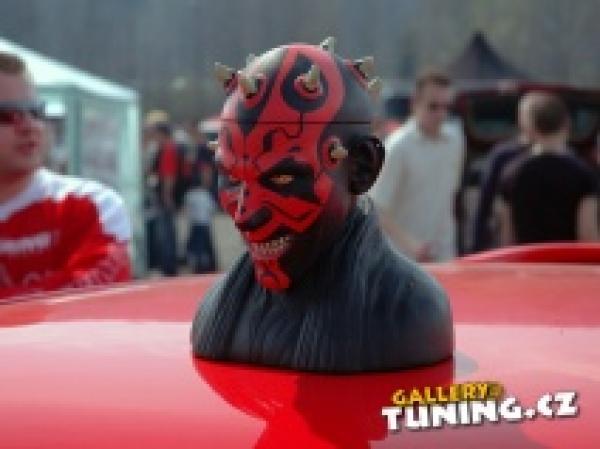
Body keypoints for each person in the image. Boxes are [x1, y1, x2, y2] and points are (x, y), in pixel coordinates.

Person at [191, 39, 453, 372]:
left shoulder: (410, 314)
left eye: (282, 179)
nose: (245, 215)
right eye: (232, 178)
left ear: (361, 168)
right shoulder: (220, 313)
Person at [0, 51, 131, 299]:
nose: (29, 126)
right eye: (7, 115)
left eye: (35, 112)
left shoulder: (91, 205)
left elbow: (87, 301)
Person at [370, 69, 464, 261]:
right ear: (415, 103)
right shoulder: (397, 147)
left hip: (445, 257)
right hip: (405, 262)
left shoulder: (455, 140)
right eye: (433, 106)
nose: (441, 114)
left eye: (447, 107)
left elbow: (450, 198)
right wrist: (413, 246)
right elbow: (376, 208)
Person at [497, 93, 599, 245]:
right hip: (567, 259)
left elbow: (507, 236)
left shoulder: (512, 173)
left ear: (530, 127)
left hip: (526, 258)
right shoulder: (582, 174)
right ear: (566, 123)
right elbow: (587, 234)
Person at [472, 92, 541, 252]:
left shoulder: (562, 158)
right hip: (510, 244)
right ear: (522, 119)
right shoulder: (503, 156)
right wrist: (478, 246)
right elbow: (485, 203)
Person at [143, 118, 179, 276]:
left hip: (165, 196)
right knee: (166, 231)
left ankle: (168, 265)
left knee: (166, 232)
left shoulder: (168, 149)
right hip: (163, 194)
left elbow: (169, 175)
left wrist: (167, 195)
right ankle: (168, 264)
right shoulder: (164, 148)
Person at [184, 165, 217, 273]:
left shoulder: (189, 194)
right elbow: (212, 209)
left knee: (196, 246)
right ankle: (211, 265)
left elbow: (186, 209)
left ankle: (197, 265)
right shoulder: (205, 194)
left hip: (195, 224)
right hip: (205, 223)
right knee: (207, 246)